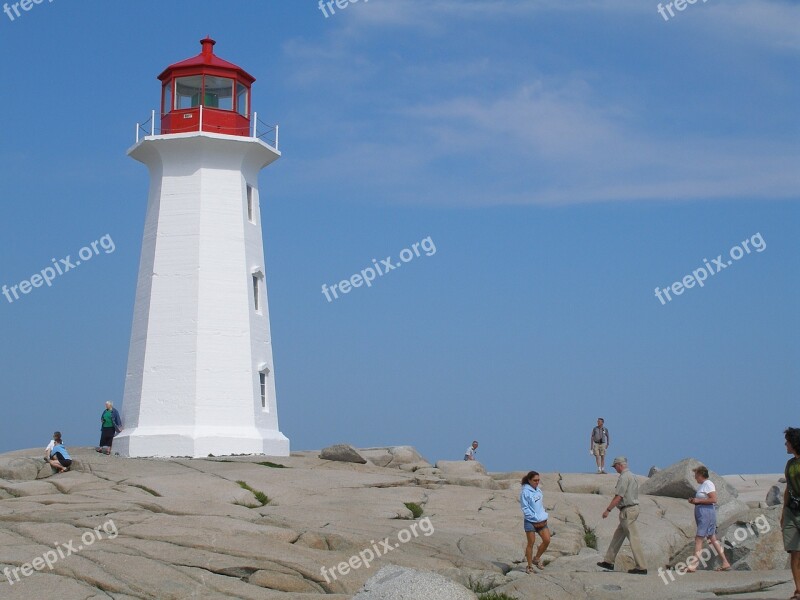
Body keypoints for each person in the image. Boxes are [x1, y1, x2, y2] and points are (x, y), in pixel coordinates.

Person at [597, 456, 647, 574]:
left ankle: (642, 566)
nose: (615, 469)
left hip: (627, 511)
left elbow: (619, 496)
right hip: (631, 509)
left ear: (620, 465)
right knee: (618, 536)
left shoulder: (624, 477)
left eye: (615, 467)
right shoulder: (633, 476)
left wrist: (608, 510)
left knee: (633, 538)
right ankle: (608, 561)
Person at [686, 465, 731, 572]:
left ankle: (693, 565)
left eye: (696, 475)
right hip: (704, 512)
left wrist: (698, 501)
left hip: (706, 513)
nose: (695, 477)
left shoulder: (708, 484)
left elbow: (714, 499)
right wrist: (695, 501)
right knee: (712, 538)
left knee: (699, 538)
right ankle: (725, 562)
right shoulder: (703, 485)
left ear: (701, 474)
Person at [520, 471, 550, 573]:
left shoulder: (538, 490)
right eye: (535, 480)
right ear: (529, 480)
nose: (537, 482)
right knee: (531, 543)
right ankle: (529, 566)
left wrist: (542, 515)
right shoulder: (525, 492)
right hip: (530, 521)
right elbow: (525, 508)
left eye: (538, 480)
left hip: (541, 520)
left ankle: (536, 558)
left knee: (547, 540)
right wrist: (534, 518)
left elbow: (539, 505)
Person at [782, 427, 800, 600]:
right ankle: (798, 590)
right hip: (791, 511)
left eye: (787, 441)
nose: (785, 444)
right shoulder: (790, 464)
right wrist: (783, 512)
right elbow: (788, 488)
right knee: (794, 551)